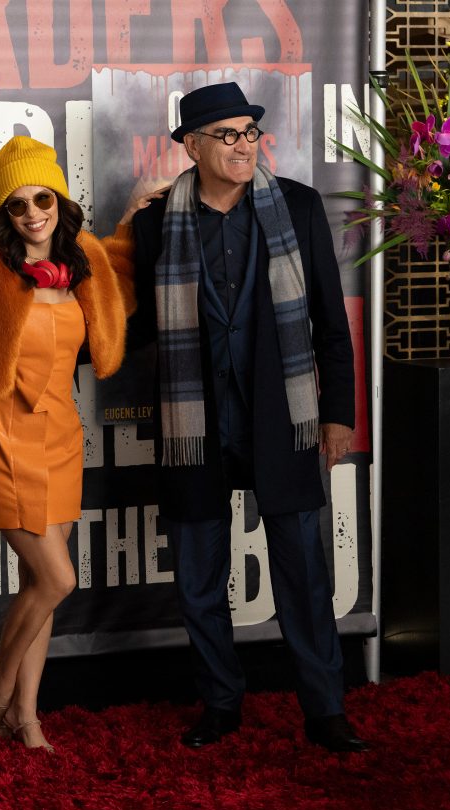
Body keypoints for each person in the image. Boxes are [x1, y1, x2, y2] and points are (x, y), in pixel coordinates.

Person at [130, 82, 367, 752]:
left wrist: (337, 415)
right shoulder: (155, 224)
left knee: (303, 572)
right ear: (192, 145)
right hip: (193, 425)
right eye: (227, 134)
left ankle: (325, 710)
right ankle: (220, 702)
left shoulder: (297, 205)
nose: (243, 144)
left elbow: (329, 319)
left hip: (282, 417)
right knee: (199, 577)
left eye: (249, 132)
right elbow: (141, 327)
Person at [0, 136, 135, 751]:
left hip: (63, 435)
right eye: (17, 205)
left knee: (41, 591)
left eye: (43, 198)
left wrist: (142, 222)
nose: (33, 212)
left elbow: (123, 289)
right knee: (57, 579)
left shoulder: (83, 257)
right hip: (2, 435)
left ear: (60, 198)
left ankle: (27, 716)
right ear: (2, 214)